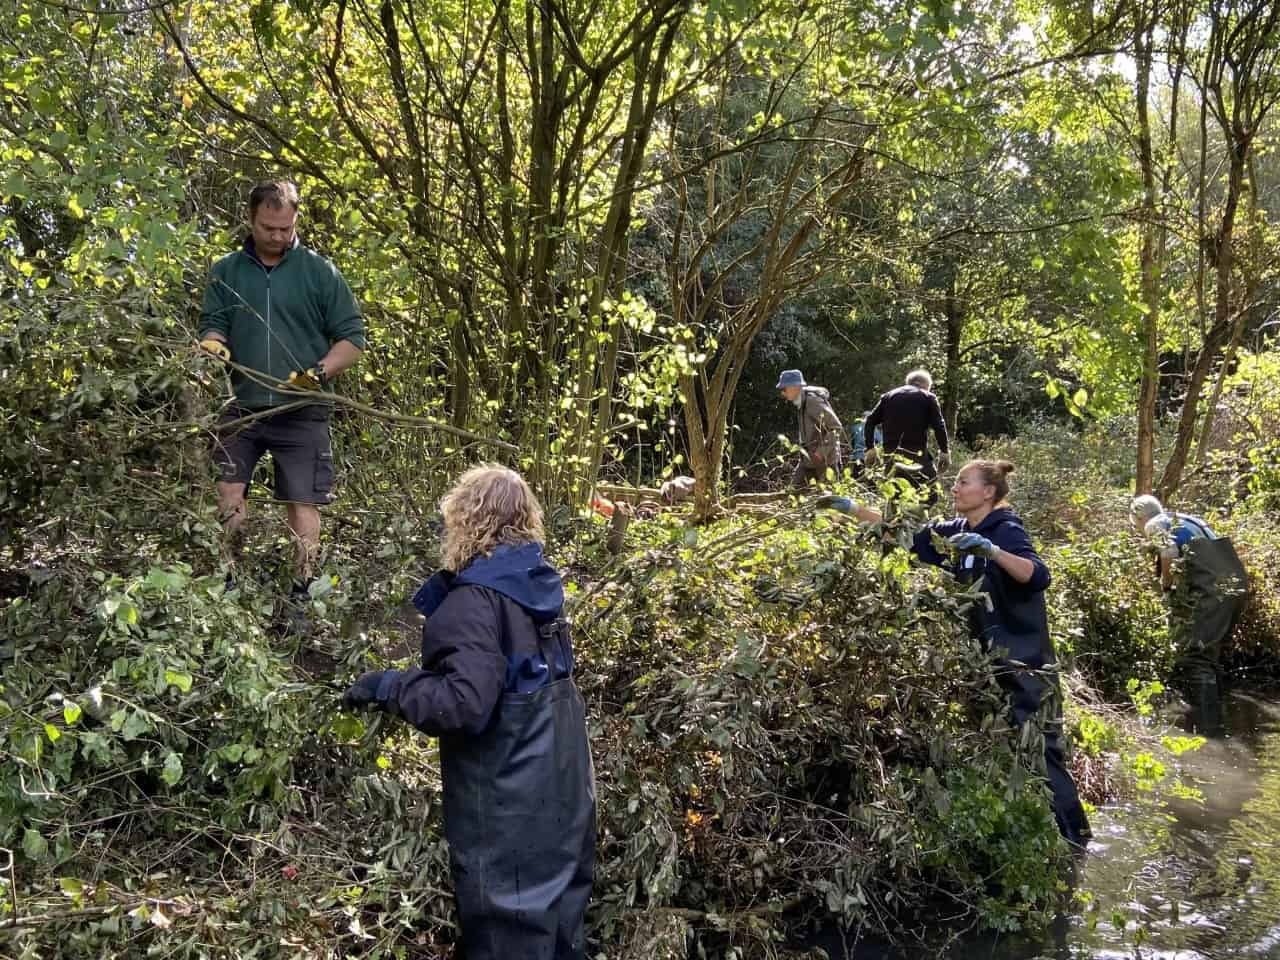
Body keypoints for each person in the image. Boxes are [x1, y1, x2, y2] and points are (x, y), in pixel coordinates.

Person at [342, 465, 595, 960]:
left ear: (466, 522)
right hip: (564, 798)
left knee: (509, 937)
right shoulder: (540, 590)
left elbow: (464, 706)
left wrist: (391, 686)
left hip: (509, 811)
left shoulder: (474, 602)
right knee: (561, 933)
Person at [825, 461, 1091, 848]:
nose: (955, 489)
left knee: (1042, 755)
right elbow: (906, 535)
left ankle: (1078, 843)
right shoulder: (958, 530)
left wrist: (994, 552)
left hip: (1026, 666)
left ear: (988, 492)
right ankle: (1029, 842)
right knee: (1000, 751)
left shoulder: (1006, 529)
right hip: (984, 665)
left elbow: (1037, 575)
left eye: (963, 483)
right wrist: (852, 510)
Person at [198, 179, 366, 604]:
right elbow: (212, 322)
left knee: (302, 500)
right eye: (268, 228)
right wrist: (214, 343)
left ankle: (304, 587)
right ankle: (229, 582)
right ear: (250, 220)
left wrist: (318, 374)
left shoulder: (319, 272)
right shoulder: (227, 271)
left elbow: (352, 340)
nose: (277, 236)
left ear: (295, 223)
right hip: (241, 406)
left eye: (285, 229)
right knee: (228, 493)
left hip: (303, 407)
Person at [1130, 495, 1249, 734]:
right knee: (1210, 655)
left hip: (1211, 591)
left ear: (1140, 518)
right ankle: (1216, 721)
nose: (1140, 530)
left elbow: (1168, 554)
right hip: (1235, 587)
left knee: (1195, 657)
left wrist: (1166, 585)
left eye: (1136, 525)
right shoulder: (1187, 519)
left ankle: (1208, 733)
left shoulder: (1156, 524)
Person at [863, 370, 950, 491]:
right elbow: (939, 426)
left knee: (893, 493)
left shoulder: (888, 396)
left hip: (891, 454)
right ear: (925, 385)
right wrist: (944, 451)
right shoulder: (928, 396)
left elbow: (870, 421)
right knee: (930, 492)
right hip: (916, 454)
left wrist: (870, 448)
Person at [776, 369, 844, 490]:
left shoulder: (812, 402)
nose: (783, 393)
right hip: (808, 460)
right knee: (792, 493)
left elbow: (836, 427)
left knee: (829, 500)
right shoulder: (801, 403)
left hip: (825, 461)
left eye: (784, 389)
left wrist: (820, 452)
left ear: (795, 387)